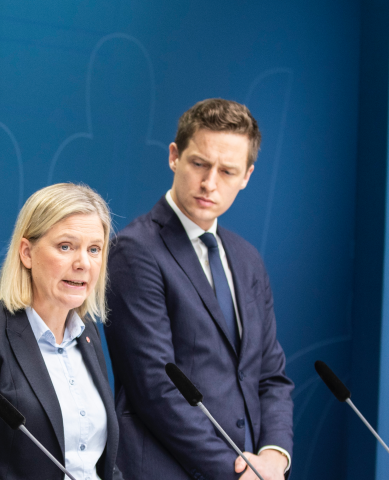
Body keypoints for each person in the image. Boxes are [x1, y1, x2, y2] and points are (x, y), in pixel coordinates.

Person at [104, 98, 294, 480]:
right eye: (199, 164)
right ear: (174, 156)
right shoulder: (134, 251)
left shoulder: (247, 259)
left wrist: (275, 455)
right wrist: (236, 473)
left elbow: (270, 375)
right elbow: (155, 387)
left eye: (227, 171)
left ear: (247, 176)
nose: (210, 183)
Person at [0, 183, 123, 480]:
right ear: (27, 253)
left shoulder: (88, 335)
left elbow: (98, 465)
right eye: (66, 246)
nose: (83, 263)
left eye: (94, 249)